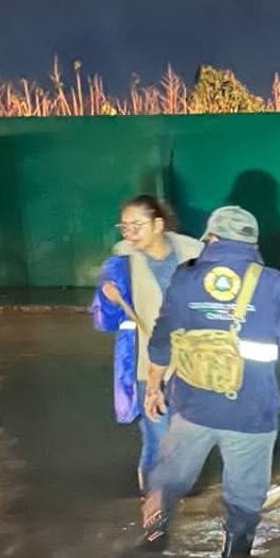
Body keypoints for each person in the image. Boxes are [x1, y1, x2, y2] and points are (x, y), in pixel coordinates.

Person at [141, 206, 280, 558]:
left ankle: (157, 512)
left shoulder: (185, 277)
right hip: (250, 411)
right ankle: (236, 554)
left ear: (212, 238)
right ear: (252, 242)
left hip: (192, 405)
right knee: (245, 492)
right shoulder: (274, 284)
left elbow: (163, 336)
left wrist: (153, 384)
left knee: (172, 470)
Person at [91, 195, 203, 493]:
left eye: (136, 225)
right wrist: (108, 298)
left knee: (189, 435)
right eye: (124, 227)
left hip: (192, 363)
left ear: (158, 224)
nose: (129, 234)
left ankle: (176, 493)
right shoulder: (121, 263)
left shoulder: (195, 254)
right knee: (157, 435)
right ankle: (153, 501)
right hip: (146, 364)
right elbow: (104, 320)